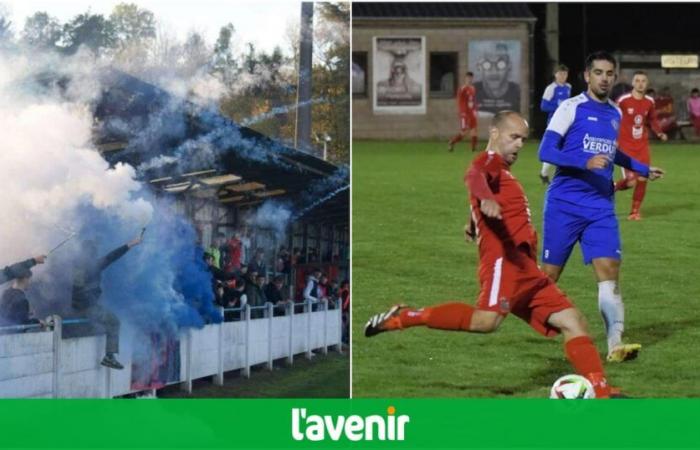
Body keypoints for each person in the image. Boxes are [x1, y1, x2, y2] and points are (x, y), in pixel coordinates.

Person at [365, 111, 616, 399]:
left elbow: (485, 194)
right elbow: (474, 176)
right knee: (486, 321)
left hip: (526, 267)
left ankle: (601, 391)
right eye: (513, 137)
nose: (519, 145)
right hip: (503, 261)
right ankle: (406, 316)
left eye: (523, 139)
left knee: (574, 322)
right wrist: (483, 199)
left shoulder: (501, 171)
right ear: (494, 134)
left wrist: (473, 220)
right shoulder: (487, 162)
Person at [538, 51, 665, 363]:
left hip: (600, 207)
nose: (605, 78)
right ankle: (505, 311)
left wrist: (641, 167)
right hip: (564, 205)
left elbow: (613, 151)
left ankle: (614, 344)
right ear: (587, 75)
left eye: (610, 73)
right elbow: (545, 149)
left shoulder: (614, 113)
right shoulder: (570, 108)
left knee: (609, 273)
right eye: (599, 72)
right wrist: (583, 161)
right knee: (546, 279)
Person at [72, 236, 142, 370]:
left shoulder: (77, 266)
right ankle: (109, 356)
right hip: (87, 308)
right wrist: (130, 244)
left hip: (78, 307)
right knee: (114, 321)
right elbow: (111, 257)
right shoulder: (92, 266)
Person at [614, 71, 668, 220]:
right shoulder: (623, 100)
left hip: (642, 146)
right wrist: (613, 137)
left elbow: (653, 120)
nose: (640, 83)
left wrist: (659, 133)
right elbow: (613, 117)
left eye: (643, 81)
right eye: (637, 80)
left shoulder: (649, 101)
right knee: (631, 181)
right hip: (625, 147)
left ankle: (635, 212)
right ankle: (614, 186)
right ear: (632, 83)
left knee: (643, 178)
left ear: (647, 84)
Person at [539, 64, 571, 185]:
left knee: (563, 147)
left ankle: (546, 174)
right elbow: (543, 106)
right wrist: (558, 107)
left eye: (565, 74)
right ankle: (546, 173)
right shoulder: (551, 88)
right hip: (553, 122)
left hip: (566, 122)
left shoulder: (568, 87)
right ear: (555, 74)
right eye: (560, 74)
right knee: (555, 147)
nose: (563, 76)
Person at [474, 43, 520, 114]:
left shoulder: (518, 93)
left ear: (509, 66)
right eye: (487, 64)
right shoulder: (472, 92)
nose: (494, 72)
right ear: (479, 67)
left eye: (501, 64)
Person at [448, 72, 478, 152]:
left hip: (471, 112)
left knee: (474, 131)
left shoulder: (473, 88)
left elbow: (473, 100)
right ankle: (452, 142)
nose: (469, 80)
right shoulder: (462, 88)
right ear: (465, 79)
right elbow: (459, 100)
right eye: (468, 78)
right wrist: (462, 111)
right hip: (464, 113)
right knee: (464, 132)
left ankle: (473, 149)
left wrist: (475, 110)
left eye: (470, 78)